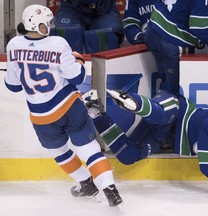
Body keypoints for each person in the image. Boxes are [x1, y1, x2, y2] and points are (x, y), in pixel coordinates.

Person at [4, 4, 122, 207]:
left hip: (41, 117)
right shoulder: (58, 43)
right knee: (88, 149)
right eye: (45, 23)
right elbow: (76, 77)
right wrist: (79, 60)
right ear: (35, 23)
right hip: (69, 107)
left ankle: (86, 183)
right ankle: (109, 188)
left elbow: (12, 86)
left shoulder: (13, 45)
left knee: (59, 152)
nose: (49, 26)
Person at [84, 89, 208, 197]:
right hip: (174, 109)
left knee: (128, 156)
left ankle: (96, 112)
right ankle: (132, 101)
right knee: (159, 114)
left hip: (164, 135)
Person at [143, 0, 208, 96]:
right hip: (173, 40)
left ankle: (159, 106)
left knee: (165, 86)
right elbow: (199, 25)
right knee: (174, 96)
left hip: (154, 31)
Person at [54, 0, 124, 54]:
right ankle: (70, 71)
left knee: (106, 35)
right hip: (72, 7)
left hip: (105, 8)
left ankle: (104, 72)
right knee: (66, 34)